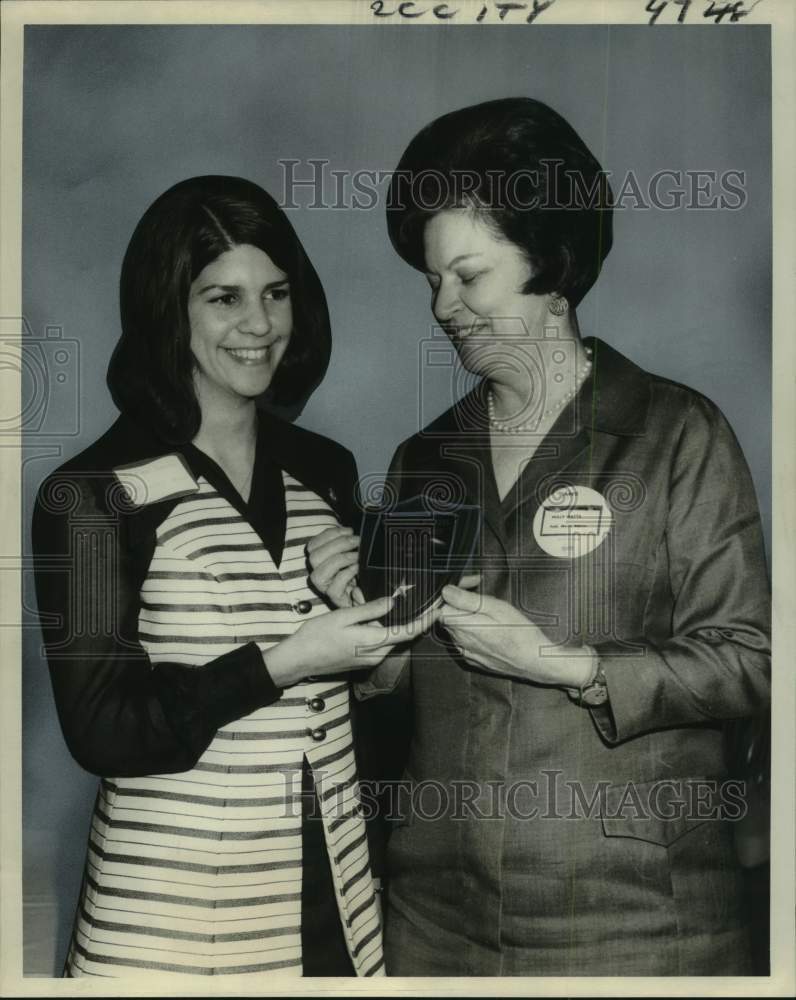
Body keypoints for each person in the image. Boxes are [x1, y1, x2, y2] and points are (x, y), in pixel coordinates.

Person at [307, 99, 771, 976]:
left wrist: (571, 666)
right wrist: (369, 638)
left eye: (468, 277)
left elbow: (752, 658)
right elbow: (402, 679)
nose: (443, 307)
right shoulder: (424, 458)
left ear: (550, 262)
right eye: (431, 280)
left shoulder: (677, 434)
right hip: (437, 924)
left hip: (635, 921)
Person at [31, 175, 416, 979]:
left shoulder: (328, 471)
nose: (260, 325)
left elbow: (355, 705)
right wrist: (282, 664)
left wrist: (375, 657)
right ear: (168, 311)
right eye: (223, 299)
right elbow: (102, 730)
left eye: (276, 294)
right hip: (167, 920)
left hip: (338, 902)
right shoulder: (94, 495)